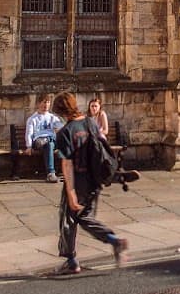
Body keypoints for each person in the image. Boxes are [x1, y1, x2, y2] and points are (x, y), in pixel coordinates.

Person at [52, 92, 129, 274]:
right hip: (95, 179)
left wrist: (70, 192)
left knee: (69, 220)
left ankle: (71, 261)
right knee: (85, 216)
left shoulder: (65, 132)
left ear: (61, 111)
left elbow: (67, 163)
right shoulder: (91, 123)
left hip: (78, 181)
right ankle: (113, 240)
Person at [25, 95, 62, 182]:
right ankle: (51, 173)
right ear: (38, 103)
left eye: (48, 102)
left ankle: (51, 174)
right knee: (48, 143)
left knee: (50, 143)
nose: (46, 105)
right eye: (44, 102)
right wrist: (29, 146)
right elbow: (29, 134)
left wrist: (59, 129)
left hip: (51, 142)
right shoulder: (33, 119)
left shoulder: (53, 118)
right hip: (39, 141)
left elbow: (61, 128)